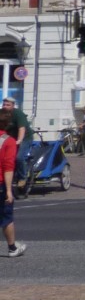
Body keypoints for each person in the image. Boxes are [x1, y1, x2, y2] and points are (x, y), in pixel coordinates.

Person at [0, 109, 22, 258]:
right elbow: (8, 167)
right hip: (1, 183)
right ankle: (12, 248)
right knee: (6, 217)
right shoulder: (8, 141)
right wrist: (9, 190)